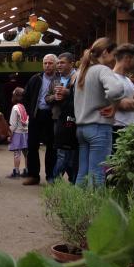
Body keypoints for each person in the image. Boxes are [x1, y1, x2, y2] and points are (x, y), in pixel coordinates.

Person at [74, 37, 125, 186]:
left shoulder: (82, 71)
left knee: (82, 174)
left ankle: (78, 207)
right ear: (105, 52)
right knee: (97, 175)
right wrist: (113, 104)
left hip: (82, 129)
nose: (114, 59)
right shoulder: (102, 70)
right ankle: (94, 209)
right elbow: (116, 90)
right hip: (99, 127)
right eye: (113, 54)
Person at [21, 54, 59, 185]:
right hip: (36, 115)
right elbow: (25, 96)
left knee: (52, 147)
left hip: (52, 116)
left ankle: (51, 176)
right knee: (32, 146)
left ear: (55, 64)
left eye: (50, 63)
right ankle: (33, 176)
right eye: (45, 63)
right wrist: (30, 111)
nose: (47, 65)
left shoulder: (60, 79)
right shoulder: (35, 79)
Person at [111, 43, 134, 146]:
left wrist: (132, 103)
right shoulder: (111, 78)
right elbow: (123, 105)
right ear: (127, 58)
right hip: (118, 130)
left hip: (130, 129)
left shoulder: (128, 80)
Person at [51, 53, 78, 182]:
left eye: (62, 62)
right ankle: (69, 180)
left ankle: (55, 180)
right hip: (59, 118)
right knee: (61, 151)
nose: (59, 65)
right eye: (58, 63)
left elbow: (80, 95)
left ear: (71, 64)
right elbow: (46, 97)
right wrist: (53, 97)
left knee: (68, 151)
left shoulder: (77, 77)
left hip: (73, 118)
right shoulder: (56, 79)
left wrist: (67, 93)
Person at [7, 87, 28, 178]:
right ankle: (27, 170)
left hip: (17, 133)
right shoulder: (26, 106)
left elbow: (13, 124)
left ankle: (16, 171)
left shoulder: (15, 108)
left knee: (17, 153)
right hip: (27, 133)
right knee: (26, 153)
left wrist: (9, 134)